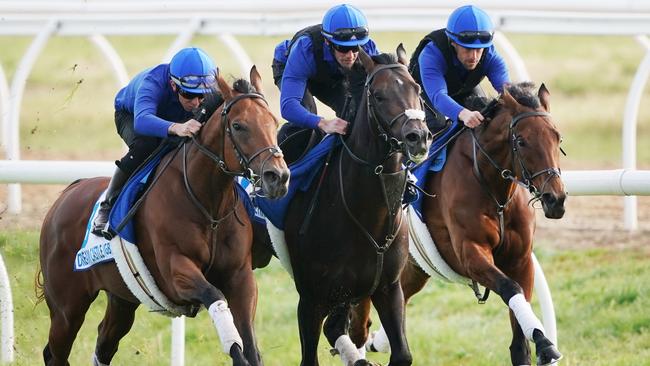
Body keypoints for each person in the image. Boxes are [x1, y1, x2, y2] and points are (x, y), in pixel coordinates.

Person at [92, 47, 219, 236]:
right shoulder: (153, 82)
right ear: (173, 85)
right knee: (147, 145)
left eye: (202, 96)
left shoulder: (207, 88)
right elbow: (142, 120)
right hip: (132, 115)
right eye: (189, 95)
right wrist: (177, 127)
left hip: (174, 117)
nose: (196, 102)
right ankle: (108, 206)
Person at [271, 3, 380, 162]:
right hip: (292, 66)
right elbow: (288, 107)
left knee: (354, 114)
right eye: (343, 48)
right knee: (306, 117)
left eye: (355, 48)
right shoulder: (305, 49)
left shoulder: (369, 49)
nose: (350, 55)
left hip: (333, 75)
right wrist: (323, 123)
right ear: (328, 42)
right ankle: (272, 167)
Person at [409, 4, 510, 135]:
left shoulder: (491, 56)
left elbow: (508, 91)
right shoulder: (431, 54)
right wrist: (462, 113)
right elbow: (438, 96)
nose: (474, 57)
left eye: (479, 50)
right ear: (453, 42)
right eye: (467, 49)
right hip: (424, 93)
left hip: (462, 88)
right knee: (438, 125)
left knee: (485, 117)